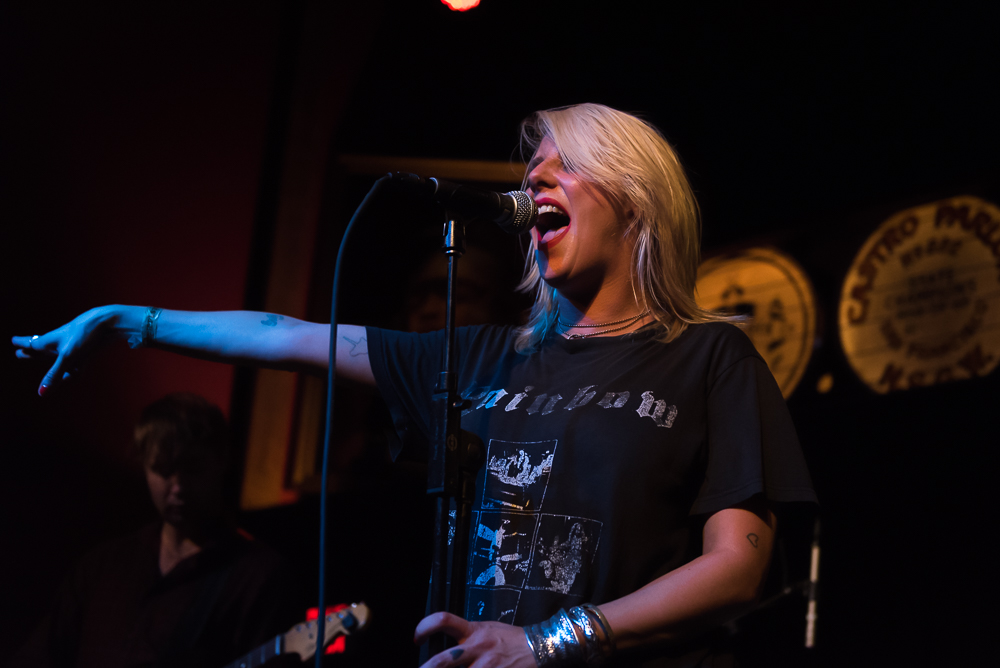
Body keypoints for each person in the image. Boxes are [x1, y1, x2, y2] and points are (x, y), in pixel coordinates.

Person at [14, 103, 817, 667]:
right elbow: (284, 335)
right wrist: (131, 321)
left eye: (563, 168)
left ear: (635, 195)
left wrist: (549, 644)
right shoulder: (482, 358)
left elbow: (738, 566)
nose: (533, 182)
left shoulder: (710, 359)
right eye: (530, 170)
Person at [11, 393, 300, 668]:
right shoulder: (101, 566)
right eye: (162, 469)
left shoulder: (259, 578)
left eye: (192, 468)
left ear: (222, 461)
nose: (177, 487)